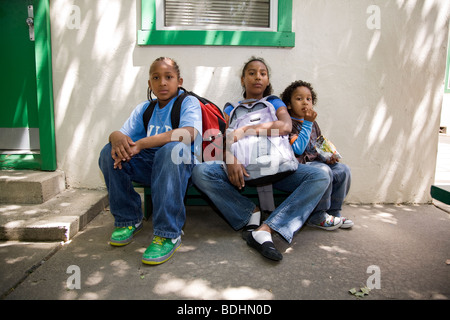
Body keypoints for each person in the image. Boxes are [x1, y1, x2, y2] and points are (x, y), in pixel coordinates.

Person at [192, 57, 331, 261]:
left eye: (263, 73)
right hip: (245, 169)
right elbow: (225, 138)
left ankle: (266, 229)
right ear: (242, 79)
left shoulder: (274, 102)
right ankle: (250, 213)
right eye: (252, 73)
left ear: (267, 81)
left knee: (320, 177)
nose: (258, 76)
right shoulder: (230, 108)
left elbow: (285, 126)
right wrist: (230, 159)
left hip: (279, 170)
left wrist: (247, 130)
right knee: (201, 172)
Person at [98, 57, 202, 265]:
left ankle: (167, 234)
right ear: (149, 84)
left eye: (168, 77)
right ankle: (128, 220)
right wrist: (114, 136)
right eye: (156, 77)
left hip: (179, 168)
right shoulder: (144, 109)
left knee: (171, 149)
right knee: (109, 152)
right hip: (150, 165)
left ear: (179, 81)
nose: (162, 82)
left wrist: (143, 143)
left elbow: (188, 133)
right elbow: (123, 135)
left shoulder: (188, 102)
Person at [280, 80, 353, 230]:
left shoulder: (313, 123)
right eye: (299, 99)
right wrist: (307, 123)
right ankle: (317, 215)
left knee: (343, 170)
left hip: (317, 162)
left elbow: (318, 145)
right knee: (323, 171)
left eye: (308, 99)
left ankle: (334, 213)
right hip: (302, 166)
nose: (305, 103)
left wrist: (328, 156)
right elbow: (298, 149)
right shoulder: (289, 124)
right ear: (288, 104)